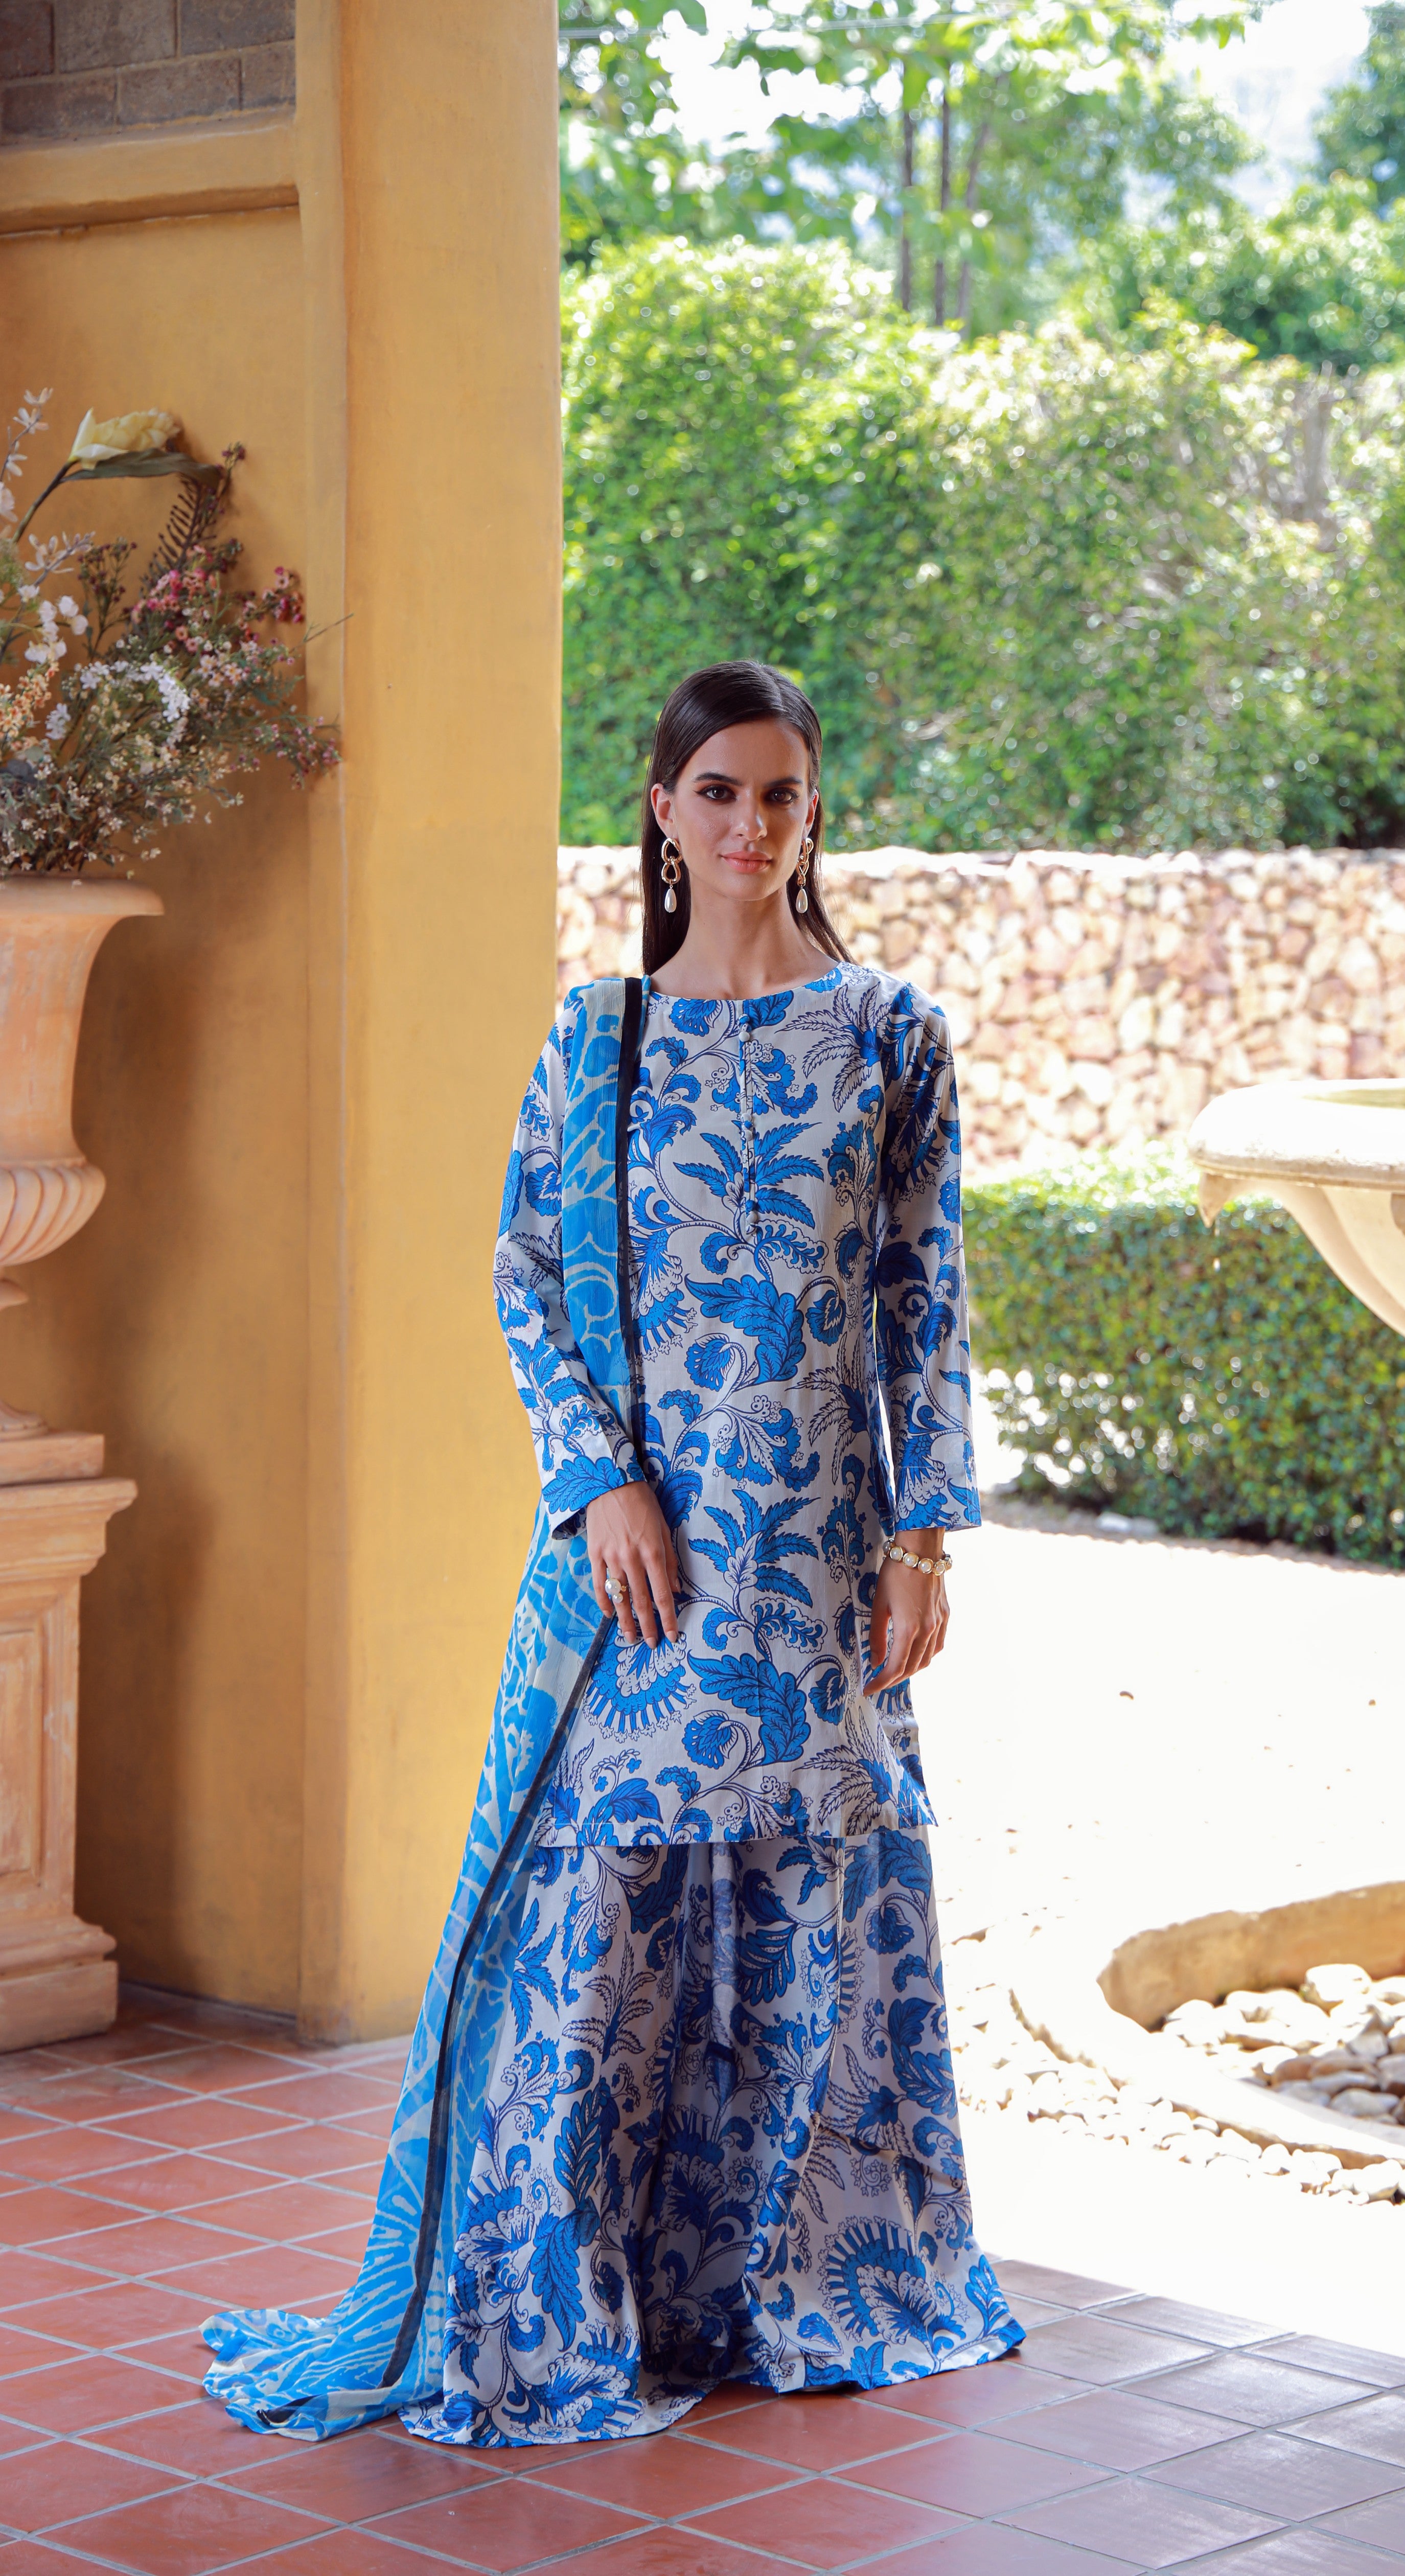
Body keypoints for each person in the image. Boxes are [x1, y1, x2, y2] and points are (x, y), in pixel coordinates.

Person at [202, 659, 1021, 2447]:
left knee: (804, 1898)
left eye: (780, 793)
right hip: (638, 1565)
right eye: (717, 791)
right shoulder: (601, 1040)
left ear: (813, 813)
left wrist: (926, 1536)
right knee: (597, 1915)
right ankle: (578, 2290)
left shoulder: (890, 1034)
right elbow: (526, 1274)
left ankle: (771, 2283)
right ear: (663, 809)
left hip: (816, 1550)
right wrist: (597, 1484)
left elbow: (924, 1294)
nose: (750, 824)